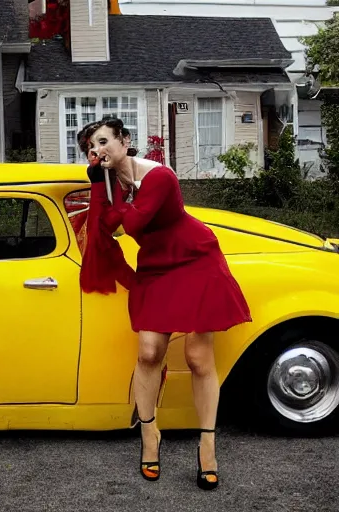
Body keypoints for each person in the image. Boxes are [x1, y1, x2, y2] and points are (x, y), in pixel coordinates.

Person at [76, 117, 252, 490]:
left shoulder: (160, 176)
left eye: (105, 141)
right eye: (92, 148)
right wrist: (98, 186)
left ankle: (207, 448)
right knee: (149, 352)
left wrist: (113, 205)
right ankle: (150, 436)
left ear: (125, 140)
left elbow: (134, 225)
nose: (99, 151)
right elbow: (105, 226)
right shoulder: (110, 184)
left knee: (198, 356)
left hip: (195, 259)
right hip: (156, 268)